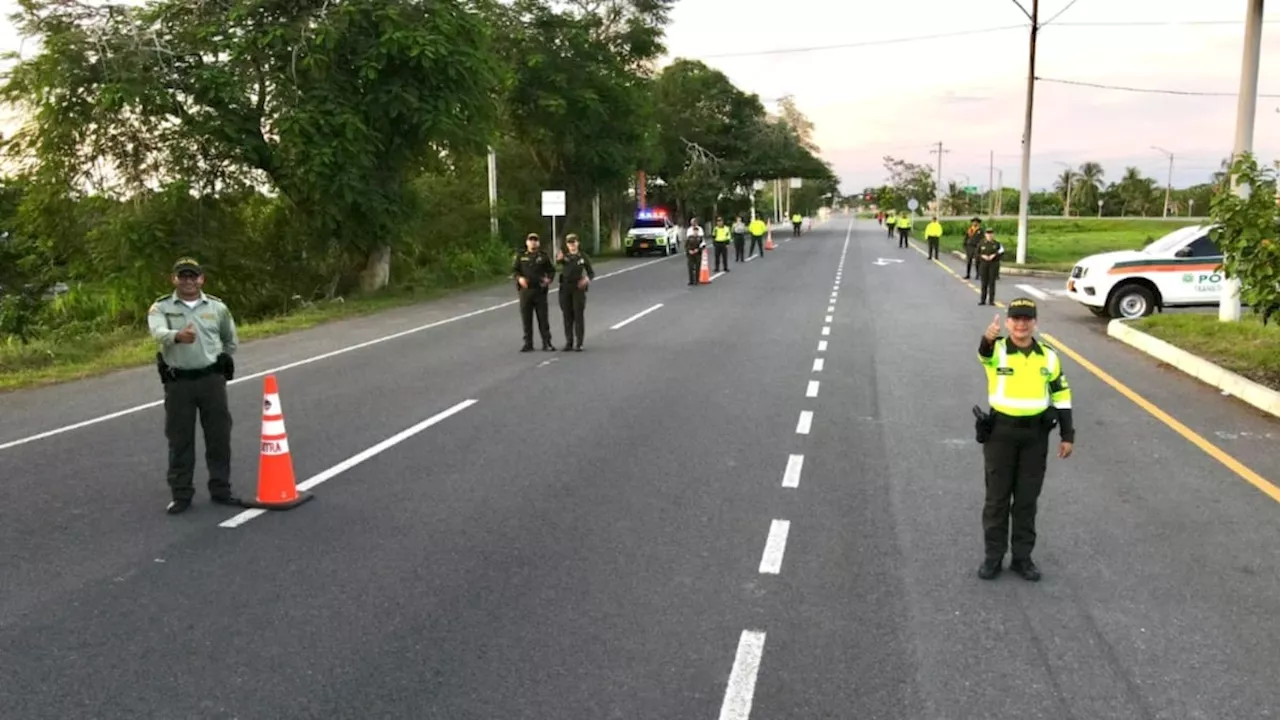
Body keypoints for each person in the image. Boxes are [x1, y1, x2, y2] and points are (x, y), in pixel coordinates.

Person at [975, 298, 1075, 581]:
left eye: (1026, 319)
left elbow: (1062, 396)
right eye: (1016, 318)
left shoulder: (1049, 356)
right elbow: (984, 353)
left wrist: (1068, 434)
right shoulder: (997, 350)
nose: (1021, 324)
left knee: (1027, 500)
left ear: (1035, 323)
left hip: (1035, 436)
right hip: (1001, 435)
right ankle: (993, 557)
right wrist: (987, 337)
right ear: (1007, 323)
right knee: (997, 500)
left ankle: (1022, 558)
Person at [147, 257, 240, 515]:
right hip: (180, 384)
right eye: (182, 276)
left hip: (211, 381)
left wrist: (218, 357)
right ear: (173, 279)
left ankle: (221, 489)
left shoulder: (217, 307)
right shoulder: (162, 307)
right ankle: (181, 494)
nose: (188, 280)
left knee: (219, 437)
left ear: (201, 279)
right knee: (180, 440)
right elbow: (156, 333)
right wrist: (177, 336)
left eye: (193, 276)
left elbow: (230, 339)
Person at [512, 232, 556, 351]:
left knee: (543, 318)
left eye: (535, 240)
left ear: (538, 243)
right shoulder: (521, 256)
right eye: (531, 240)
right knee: (526, 319)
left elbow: (551, 270)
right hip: (525, 291)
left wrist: (549, 279)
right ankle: (528, 343)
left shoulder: (543, 256)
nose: (533, 242)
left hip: (540, 291)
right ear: (527, 242)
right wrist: (519, 278)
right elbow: (515, 271)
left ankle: (547, 342)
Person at [556, 233, 595, 351]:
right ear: (567, 245)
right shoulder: (565, 257)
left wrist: (586, 280)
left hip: (578, 288)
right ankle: (569, 342)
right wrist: (559, 259)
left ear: (578, 243)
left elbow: (591, 273)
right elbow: (557, 263)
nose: (572, 245)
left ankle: (579, 342)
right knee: (567, 315)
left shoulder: (583, 257)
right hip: (565, 288)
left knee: (578, 315)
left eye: (574, 242)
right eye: (569, 243)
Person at [976, 227, 1002, 305]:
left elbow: (1001, 252)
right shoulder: (981, 243)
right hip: (983, 264)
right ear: (985, 235)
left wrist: (994, 255)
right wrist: (982, 256)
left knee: (992, 283)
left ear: (993, 235)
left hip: (993, 264)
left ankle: (991, 300)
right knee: (984, 283)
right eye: (988, 234)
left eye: (991, 234)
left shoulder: (996, 244)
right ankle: (982, 300)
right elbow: (977, 254)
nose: (989, 235)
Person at [686, 217, 706, 285]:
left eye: (694, 222)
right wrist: (689, 251)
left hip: (698, 253)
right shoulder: (689, 232)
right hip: (690, 253)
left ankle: (697, 280)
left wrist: (698, 250)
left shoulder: (700, 232)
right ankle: (691, 280)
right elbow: (687, 244)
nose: (693, 223)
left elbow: (703, 244)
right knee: (690, 267)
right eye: (692, 222)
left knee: (697, 267)